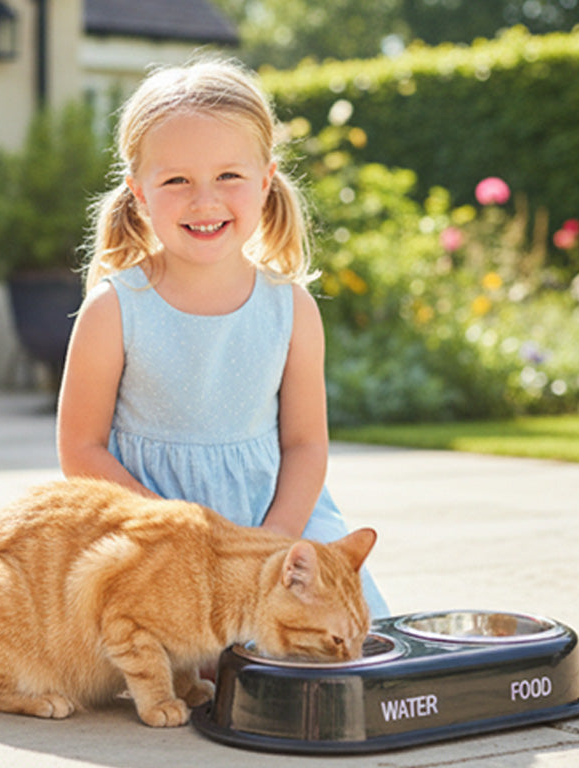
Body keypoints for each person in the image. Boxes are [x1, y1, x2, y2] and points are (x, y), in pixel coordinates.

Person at [56, 59, 388, 617]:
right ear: (139, 193)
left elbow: (305, 444)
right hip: (151, 535)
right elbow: (80, 449)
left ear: (266, 181)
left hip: (276, 530)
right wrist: (178, 540)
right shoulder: (114, 309)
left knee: (340, 649)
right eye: (176, 180)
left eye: (229, 176)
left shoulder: (291, 310)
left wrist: (272, 545)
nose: (204, 201)